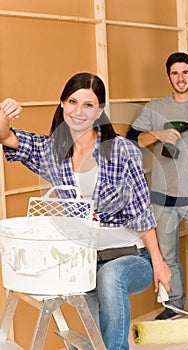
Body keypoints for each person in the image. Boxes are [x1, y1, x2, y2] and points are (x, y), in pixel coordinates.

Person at [0, 72, 171, 350]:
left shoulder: (122, 151)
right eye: (73, 102)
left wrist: (159, 262)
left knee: (110, 276)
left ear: (100, 110)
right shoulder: (51, 151)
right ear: (62, 105)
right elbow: (5, 136)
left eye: (88, 105)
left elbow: (142, 212)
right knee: (98, 333)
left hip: (131, 257)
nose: (79, 111)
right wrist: (4, 112)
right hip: (85, 262)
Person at [127, 52, 188, 320]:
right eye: (175, 73)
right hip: (161, 197)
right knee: (167, 257)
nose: (180, 78)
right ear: (168, 76)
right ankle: (173, 307)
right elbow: (132, 138)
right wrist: (158, 134)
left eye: (185, 72)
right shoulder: (155, 107)